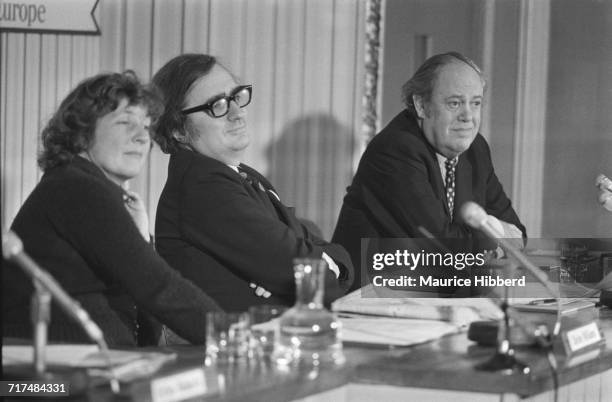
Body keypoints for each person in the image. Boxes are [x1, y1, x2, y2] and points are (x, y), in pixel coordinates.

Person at [2, 71, 221, 347]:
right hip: (58, 380)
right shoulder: (77, 188)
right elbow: (159, 288)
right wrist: (236, 336)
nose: (142, 138)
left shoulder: (78, 185)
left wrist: (141, 238)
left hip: (95, 365)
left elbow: (145, 303)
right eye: (125, 122)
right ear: (82, 132)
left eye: (146, 126)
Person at [151, 54, 354, 310]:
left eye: (236, 96)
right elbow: (299, 268)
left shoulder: (243, 174)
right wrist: (321, 267)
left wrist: (326, 265)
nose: (237, 113)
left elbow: (316, 254)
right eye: (217, 105)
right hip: (228, 344)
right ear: (178, 129)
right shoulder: (203, 186)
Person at [332, 52, 526, 291]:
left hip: (438, 293)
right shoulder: (396, 149)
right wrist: (498, 240)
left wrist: (498, 238)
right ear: (422, 105)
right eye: (454, 103)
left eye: (475, 103)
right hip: (377, 299)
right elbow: (444, 247)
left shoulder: (476, 149)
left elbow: (518, 233)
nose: (468, 117)